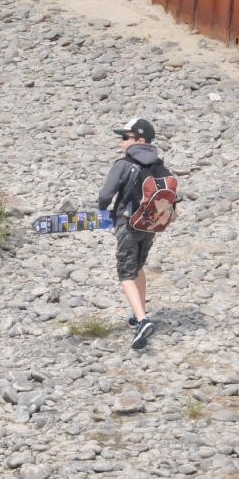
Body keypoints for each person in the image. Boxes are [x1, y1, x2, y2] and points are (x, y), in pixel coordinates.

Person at [98, 117, 164, 350]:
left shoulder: (124, 164)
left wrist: (102, 209)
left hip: (128, 224)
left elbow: (106, 194)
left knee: (125, 273)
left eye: (126, 137)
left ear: (140, 140)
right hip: (150, 226)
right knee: (138, 267)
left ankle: (143, 321)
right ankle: (139, 314)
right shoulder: (159, 164)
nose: (121, 142)